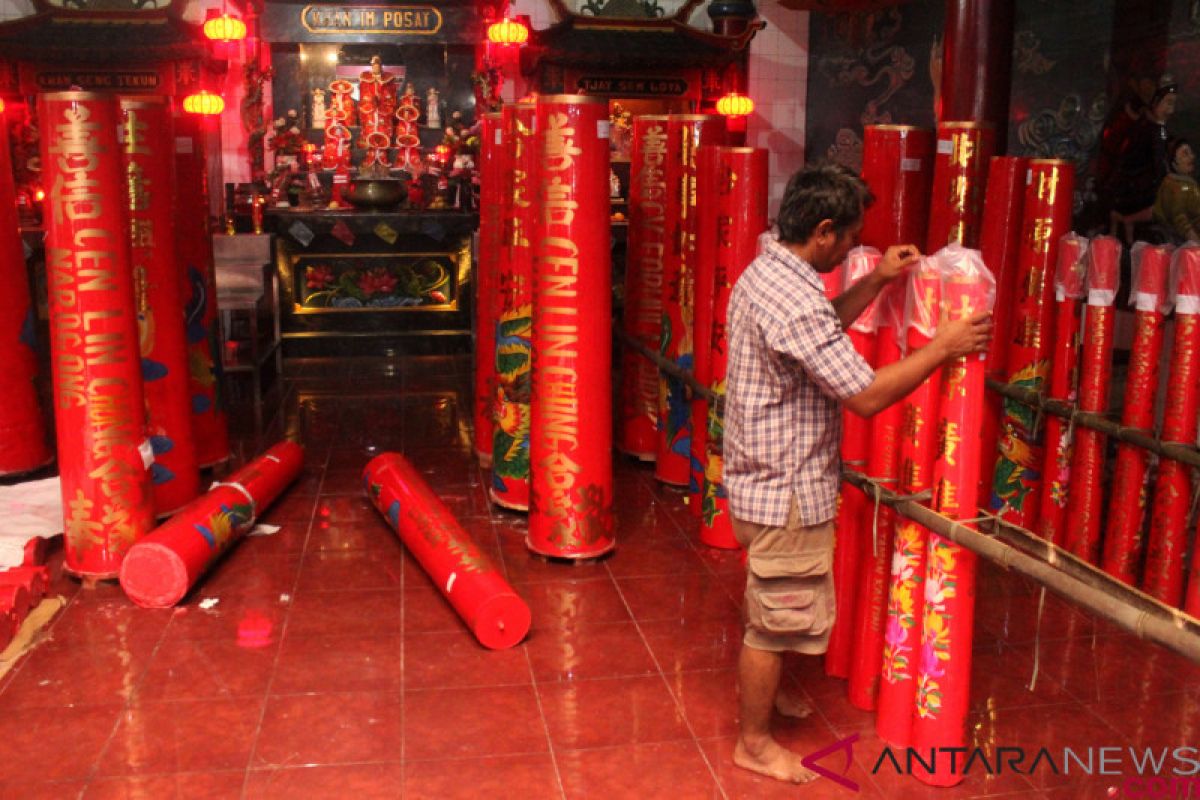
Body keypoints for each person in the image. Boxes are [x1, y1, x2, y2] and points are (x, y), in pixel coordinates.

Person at [723, 163, 992, 784]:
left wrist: (876, 283)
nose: (851, 248)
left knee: (775, 602)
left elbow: (820, 332)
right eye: (848, 239)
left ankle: (766, 703)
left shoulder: (770, 269)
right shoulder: (793, 300)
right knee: (772, 619)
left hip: (756, 478)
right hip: (785, 490)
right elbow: (866, 395)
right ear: (821, 231)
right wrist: (942, 348)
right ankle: (754, 743)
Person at [1153, 137, 1200, 243]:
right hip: (1181, 241)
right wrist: (1195, 241)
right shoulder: (1175, 186)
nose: (1192, 157)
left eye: (1190, 153)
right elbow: (1180, 219)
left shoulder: (1187, 183)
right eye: (1185, 154)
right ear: (1174, 162)